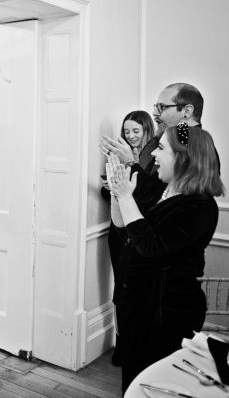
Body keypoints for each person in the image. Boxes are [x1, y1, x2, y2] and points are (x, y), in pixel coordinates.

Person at [107, 122, 225, 393]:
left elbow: (151, 246)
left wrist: (126, 196)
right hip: (138, 304)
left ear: (183, 158)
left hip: (166, 312)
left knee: (158, 385)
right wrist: (117, 193)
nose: (154, 155)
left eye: (161, 148)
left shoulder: (200, 206)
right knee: (134, 377)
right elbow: (122, 225)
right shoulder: (162, 190)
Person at [100, 110, 155, 366]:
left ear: (147, 130)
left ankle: (137, 344)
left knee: (138, 290)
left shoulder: (154, 157)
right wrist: (110, 188)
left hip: (142, 230)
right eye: (126, 131)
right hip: (118, 229)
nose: (131, 136)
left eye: (136, 130)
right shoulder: (116, 155)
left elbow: (152, 194)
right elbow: (112, 192)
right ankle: (122, 343)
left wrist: (132, 166)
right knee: (120, 288)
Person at [100, 83, 209, 210]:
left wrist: (130, 163)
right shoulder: (174, 138)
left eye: (162, 107)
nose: (155, 113)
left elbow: (154, 196)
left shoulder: (194, 147)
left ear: (186, 111)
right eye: (156, 106)